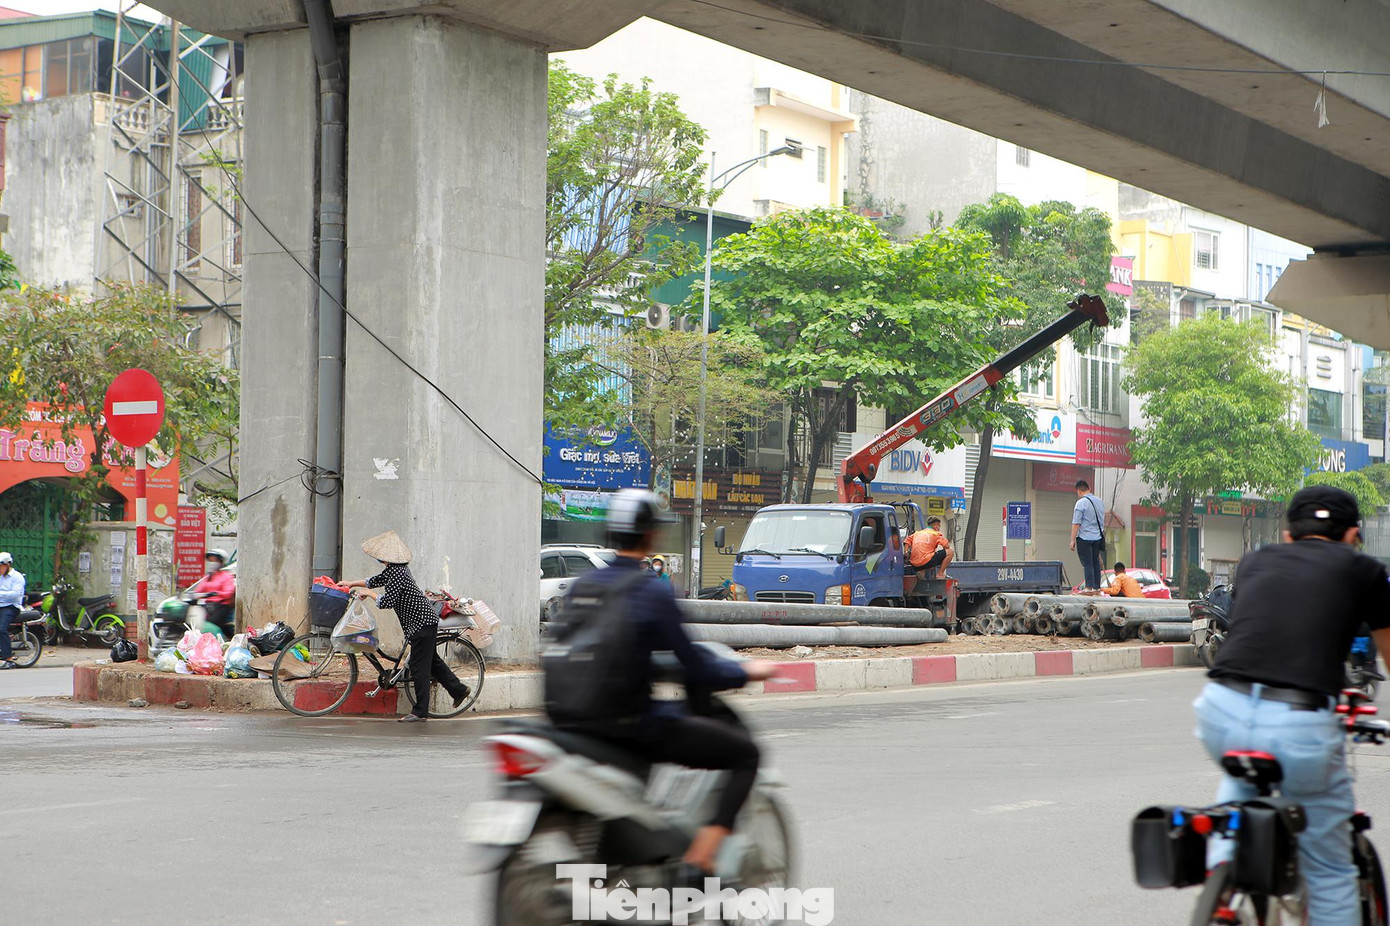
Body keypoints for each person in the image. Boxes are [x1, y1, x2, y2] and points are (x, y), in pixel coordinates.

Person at [551, 489, 778, 873]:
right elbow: (694, 666)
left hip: (571, 725)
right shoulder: (650, 591)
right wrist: (742, 671)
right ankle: (702, 855)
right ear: (650, 536)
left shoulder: (581, 587)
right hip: (631, 725)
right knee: (746, 754)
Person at [1195, 485, 1390, 925]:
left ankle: (1222, 880)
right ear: (1353, 535)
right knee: (1330, 870)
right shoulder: (1363, 570)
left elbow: (1267, 635)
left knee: (1238, 793)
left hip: (1220, 708)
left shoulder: (1254, 563)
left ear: (1288, 536)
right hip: (1299, 723)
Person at [343, 530, 471, 723]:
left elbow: (386, 601)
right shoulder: (394, 570)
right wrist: (352, 583)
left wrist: (368, 593)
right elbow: (375, 580)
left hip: (421, 623)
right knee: (432, 662)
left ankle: (420, 712)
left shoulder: (397, 573)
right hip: (420, 623)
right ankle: (458, 690)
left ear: (384, 557)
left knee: (420, 668)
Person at [1070, 480, 1105, 590]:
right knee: (1095, 562)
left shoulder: (1081, 503)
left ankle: (1089, 587)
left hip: (1084, 538)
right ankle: (1096, 587)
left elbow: (1076, 523)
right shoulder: (1100, 502)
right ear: (1089, 488)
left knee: (1088, 563)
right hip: (1098, 538)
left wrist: (1072, 540)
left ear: (1079, 491)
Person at [199, 549, 237, 638]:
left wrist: (216, 593)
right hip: (208, 606)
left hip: (221, 606)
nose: (212, 563)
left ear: (220, 562)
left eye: (214, 560)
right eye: (210, 560)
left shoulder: (226, 576)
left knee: (211, 625)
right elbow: (199, 589)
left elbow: (229, 592)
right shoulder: (209, 576)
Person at [0, 552, 24, 670]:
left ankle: (8, 659)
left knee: (1, 628)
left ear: (8, 565)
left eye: (1, 566)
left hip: (11, 607)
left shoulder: (17, 577)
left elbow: (15, 595)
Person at [1080, 561, 1144, 598]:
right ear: (1124, 571)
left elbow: (1114, 591)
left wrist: (1101, 589)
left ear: (1115, 572)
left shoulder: (1119, 577)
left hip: (1131, 601)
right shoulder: (1131, 579)